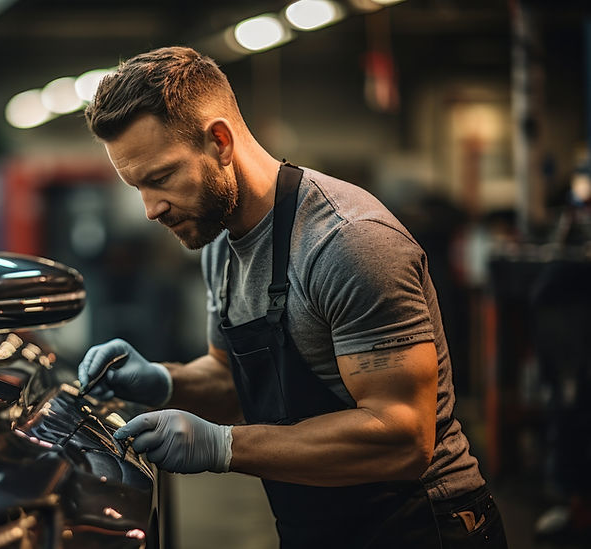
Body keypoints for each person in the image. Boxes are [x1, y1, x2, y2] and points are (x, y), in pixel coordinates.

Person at [77, 46, 507, 548]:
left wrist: (222, 445)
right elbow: (232, 378)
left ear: (219, 141)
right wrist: (159, 380)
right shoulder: (219, 243)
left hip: (423, 527)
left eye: (160, 178)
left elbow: (403, 438)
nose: (151, 209)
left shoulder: (346, 243)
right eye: (137, 186)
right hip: (318, 527)